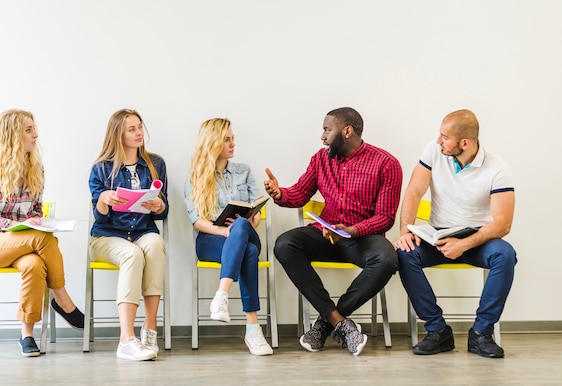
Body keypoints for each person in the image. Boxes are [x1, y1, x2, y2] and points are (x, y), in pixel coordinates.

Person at [265, 107, 402, 356]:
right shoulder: (321, 159)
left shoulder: (386, 163)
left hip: (363, 238)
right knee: (285, 244)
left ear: (347, 131)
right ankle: (339, 322)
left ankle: (325, 324)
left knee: (388, 259)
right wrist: (280, 193)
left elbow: (385, 218)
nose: (323, 136)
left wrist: (352, 230)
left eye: (327, 129)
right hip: (326, 234)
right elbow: (299, 193)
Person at [394, 109, 516, 358]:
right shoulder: (434, 151)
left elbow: (503, 224)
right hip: (437, 237)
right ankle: (438, 331)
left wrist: (464, 244)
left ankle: (481, 333)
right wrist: (405, 230)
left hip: (477, 240)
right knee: (404, 252)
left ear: (465, 143)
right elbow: (414, 191)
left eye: (444, 137)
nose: (439, 140)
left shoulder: (498, 168)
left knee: (505, 255)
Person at [0, 109, 84, 358]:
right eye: (29, 130)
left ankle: (26, 335)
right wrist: (11, 226)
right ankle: (62, 299)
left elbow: (34, 211)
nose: (36, 135)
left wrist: (36, 220)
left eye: (34, 128)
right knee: (45, 239)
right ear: (12, 135)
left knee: (34, 264)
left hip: (23, 245)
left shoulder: (35, 169)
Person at [184, 118, 274, 356]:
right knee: (250, 252)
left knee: (243, 224)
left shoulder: (243, 171)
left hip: (245, 232)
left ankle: (221, 295)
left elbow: (257, 213)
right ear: (212, 142)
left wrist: (249, 219)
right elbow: (197, 220)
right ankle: (253, 329)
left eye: (233, 138)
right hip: (211, 239)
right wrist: (224, 230)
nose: (233, 143)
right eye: (227, 139)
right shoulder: (197, 175)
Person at [88, 109, 168, 361]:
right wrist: (103, 199)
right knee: (132, 254)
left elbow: (163, 214)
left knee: (155, 244)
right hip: (107, 237)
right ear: (118, 134)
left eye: (140, 127)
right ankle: (126, 339)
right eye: (131, 129)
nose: (139, 133)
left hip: (143, 232)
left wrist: (159, 206)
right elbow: (100, 218)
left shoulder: (156, 164)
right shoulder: (101, 169)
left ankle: (150, 329)